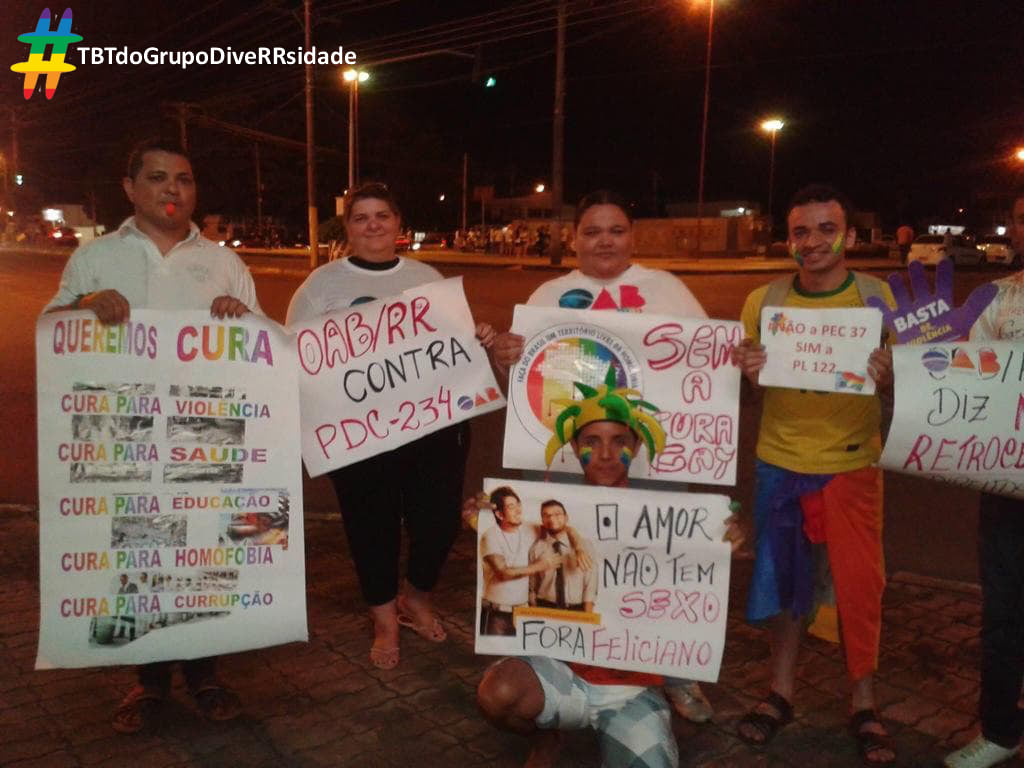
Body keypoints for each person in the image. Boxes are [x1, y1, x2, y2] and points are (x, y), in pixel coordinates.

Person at [44, 137, 254, 733]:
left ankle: (206, 675)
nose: (172, 189)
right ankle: (150, 680)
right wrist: (86, 303)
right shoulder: (96, 259)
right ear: (130, 188)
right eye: (158, 177)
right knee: (140, 557)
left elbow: (260, 343)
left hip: (204, 433)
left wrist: (239, 317)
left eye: (184, 179)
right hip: (126, 434)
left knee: (202, 556)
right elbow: (52, 329)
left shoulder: (224, 263)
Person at [489, 189, 714, 723]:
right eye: (592, 231)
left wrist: (737, 359)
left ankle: (673, 672)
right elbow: (524, 379)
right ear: (574, 240)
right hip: (574, 465)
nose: (605, 241)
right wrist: (503, 357)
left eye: (616, 230)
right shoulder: (549, 293)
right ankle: (568, 666)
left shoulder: (668, 289)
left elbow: (707, 361)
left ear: (632, 236)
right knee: (576, 561)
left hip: (653, 463)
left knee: (653, 567)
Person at [472, 367, 745, 768]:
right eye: (592, 441)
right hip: (561, 671)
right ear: (574, 446)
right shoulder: (543, 508)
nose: (604, 453)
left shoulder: (668, 516)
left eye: (619, 441)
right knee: (499, 695)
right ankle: (548, 738)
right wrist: (483, 517)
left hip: (631, 688)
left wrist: (724, 540)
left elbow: (695, 583)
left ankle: (658, 707)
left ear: (636, 446)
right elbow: (507, 539)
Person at [286, 181, 495, 670]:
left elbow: (453, 343)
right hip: (358, 434)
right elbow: (296, 352)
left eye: (382, 215)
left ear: (398, 222)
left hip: (431, 426)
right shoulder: (321, 285)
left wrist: (478, 335)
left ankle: (416, 597)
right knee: (370, 526)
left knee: (438, 521)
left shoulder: (427, 276)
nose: (373, 225)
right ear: (348, 227)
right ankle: (384, 618)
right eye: (361, 217)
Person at [730, 184, 896, 765]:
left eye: (827, 229)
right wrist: (747, 370)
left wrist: (892, 371)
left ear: (848, 236)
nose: (814, 241)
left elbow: (913, 383)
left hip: (852, 464)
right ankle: (780, 693)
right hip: (780, 461)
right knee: (785, 586)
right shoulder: (764, 300)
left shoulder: (878, 298)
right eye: (801, 231)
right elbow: (747, 389)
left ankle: (864, 703)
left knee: (859, 588)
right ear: (789, 240)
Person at [944, 192, 1024, 768]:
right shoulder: (995, 298)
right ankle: (1000, 731)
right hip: (1007, 486)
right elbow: (963, 381)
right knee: (1003, 614)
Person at [480, 488, 592, 636]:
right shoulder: (490, 536)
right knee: (495, 651)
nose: (518, 510)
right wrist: (540, 566)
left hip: (522, 613)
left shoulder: (529, 528)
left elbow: (564, 527)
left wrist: (579, 547)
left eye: (518, 504)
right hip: (496, 614)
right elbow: (503, 573)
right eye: (511, 506)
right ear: (500, 514)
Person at [528, 500, 596, 612]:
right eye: (546, 515)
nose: (551, 518)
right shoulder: (536, 548)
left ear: (566, 517)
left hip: (575, 609)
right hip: (544, 606)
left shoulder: (585, 546)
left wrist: (588, 615)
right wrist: (534, 610)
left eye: (557, 514)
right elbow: (532, 586)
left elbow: (591, 584)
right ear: (542, 520)